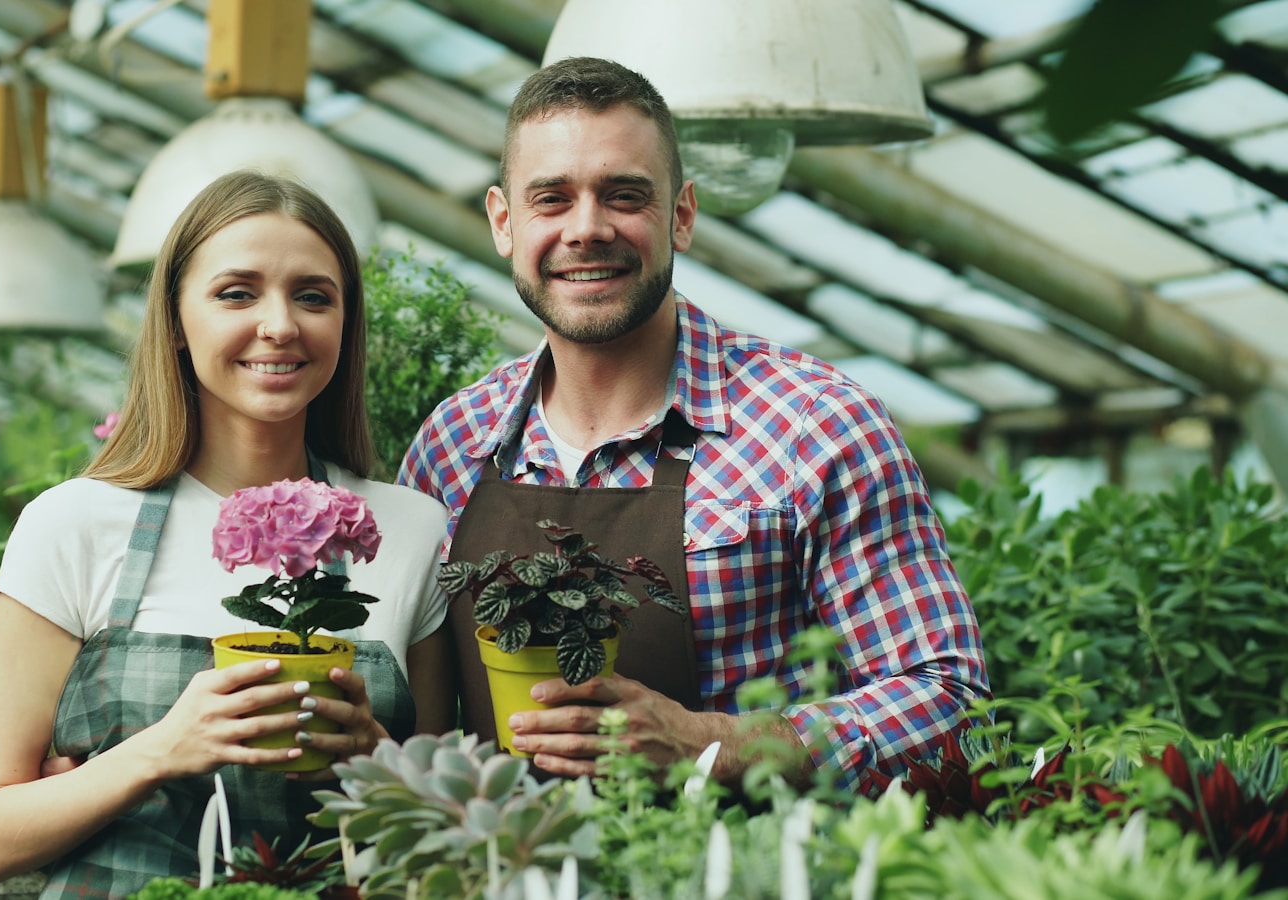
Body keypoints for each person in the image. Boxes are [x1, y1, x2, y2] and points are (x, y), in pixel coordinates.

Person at [398, 57, 989, 789]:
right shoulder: (452, 444)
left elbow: (947, 698)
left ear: (680, 214)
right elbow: (415, 715)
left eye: (624, 195)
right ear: (503, 222)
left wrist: (711, 743)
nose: (586, 229)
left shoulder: (818, 425)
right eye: (551, 198)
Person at [0, 171, 453, 897]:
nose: (280, 324)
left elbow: (445, 833)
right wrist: (162, 748)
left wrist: (372, 757)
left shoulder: (410, 529)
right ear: (175, 324)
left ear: (345, 326)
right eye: (237, 292)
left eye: (313, 296)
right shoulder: (73, 525)